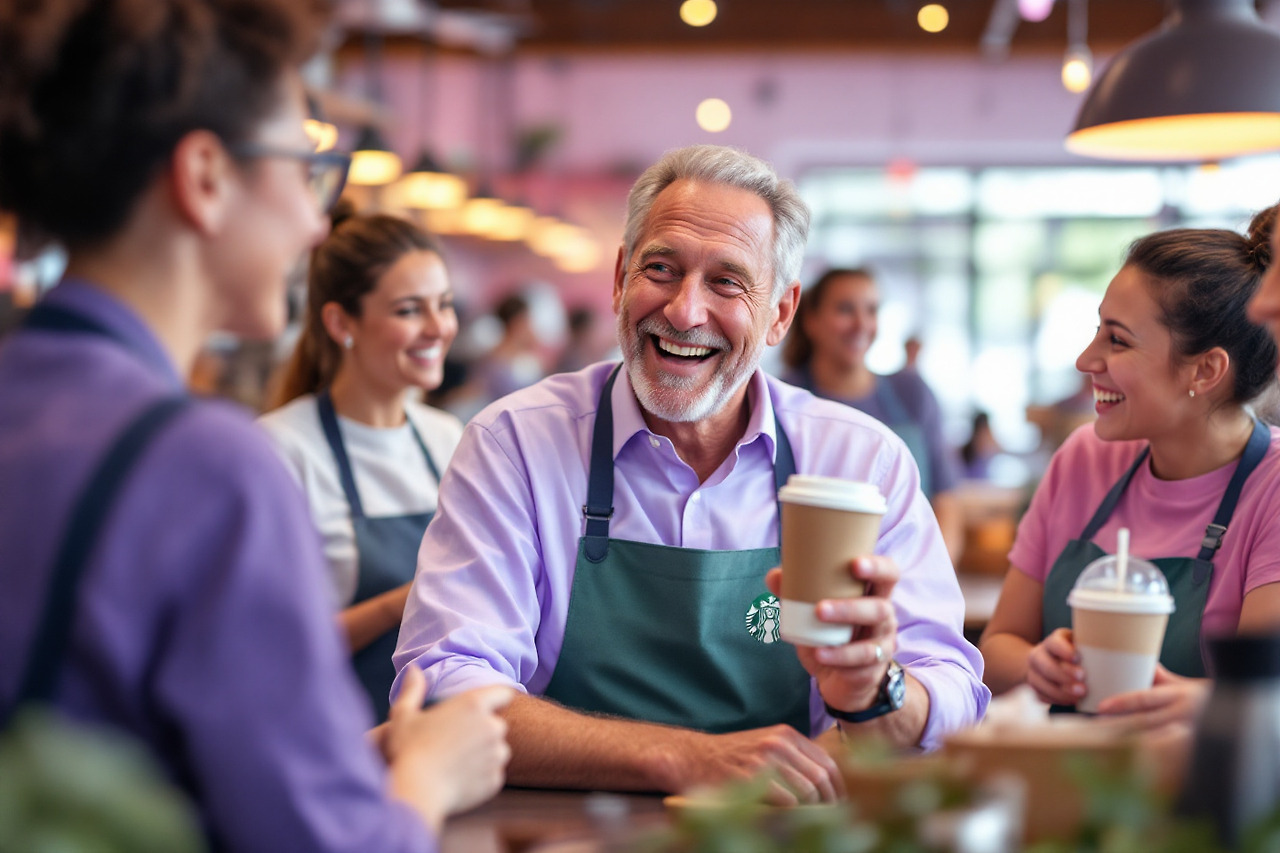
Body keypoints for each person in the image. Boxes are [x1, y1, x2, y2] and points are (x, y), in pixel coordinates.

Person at [0, 2, 509, 850]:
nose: (318, 222)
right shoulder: (207, 465)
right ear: (204, 177)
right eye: (306, 164)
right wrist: (429, 773)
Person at [394, 144, 988, 804]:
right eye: (661, 268)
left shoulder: (860, 462)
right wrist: (684, 757)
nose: (683, 310)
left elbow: (954, 686)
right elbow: (444, 682)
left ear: (780, 314)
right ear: (620, 277)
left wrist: (880, 691)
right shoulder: (516, 444)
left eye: (727, 282)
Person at [980, 208, 1280, 729]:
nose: (1085, 360)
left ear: (1205, 370)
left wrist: (1200, 704)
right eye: (1098, 331)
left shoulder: (1272, 488)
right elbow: (997, 647)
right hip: (1062, 778)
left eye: (1117, 340)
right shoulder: (1084, 458)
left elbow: (1266, 697)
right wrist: (1036, 665)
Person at [259, 206, 463, 721]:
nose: (438, 327)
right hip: (329, 735)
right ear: (340, 322)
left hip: (438, 736)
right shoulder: (282, 451)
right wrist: (405, 601)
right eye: (409, 310)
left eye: (444, 304)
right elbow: (268, 647)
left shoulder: (449, 439)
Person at [780, 268, 965, 563]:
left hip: (905, 578)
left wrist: (928, 583)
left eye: (872, 310)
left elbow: (945, 502)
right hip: (804, 574)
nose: (861, 324)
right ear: (811, 321)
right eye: (845, 309)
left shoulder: (912, 393)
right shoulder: (783, 398)